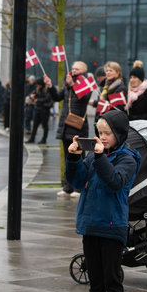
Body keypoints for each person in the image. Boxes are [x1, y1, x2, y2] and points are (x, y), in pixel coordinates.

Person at [66, 109, 140, 292]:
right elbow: (77, 182)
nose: (103, 137)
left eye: (107, 133)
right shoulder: (95, 156)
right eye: (99, 132)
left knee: (112, 281)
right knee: (95, 281)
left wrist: (99, 157)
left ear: (119, 133)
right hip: (91, 224)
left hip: (112, 226)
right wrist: (74, 158)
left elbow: (116, 181)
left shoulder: (128, 158)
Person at [44, 61, 92, 197]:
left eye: (77, 69)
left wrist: (73, 85)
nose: (73, 71)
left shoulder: (86, 83)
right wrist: (50, 86)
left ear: (83, 71)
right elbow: (57, 97)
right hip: (66, 127)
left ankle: (79, 188)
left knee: (79, 159)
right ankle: (68, 187)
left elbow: (83, 98)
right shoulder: (68, 85)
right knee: (68, 159)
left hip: (78, 128)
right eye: (73, 68)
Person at [25, 78, 53, 144]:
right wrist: (31, 96)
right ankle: (32, 138)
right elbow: (32, 94)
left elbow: (47, 99)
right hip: (38, 109)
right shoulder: (37, 89)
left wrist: (38, 100)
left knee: (45, 126)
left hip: (45, 110)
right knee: (35, 125)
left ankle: (44, 139)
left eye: (39, 85)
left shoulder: (47, 90)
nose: (38, 86)